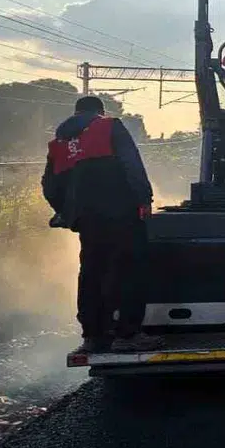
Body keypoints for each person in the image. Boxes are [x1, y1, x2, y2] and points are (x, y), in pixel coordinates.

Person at [42, 96, 164, 354]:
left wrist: (66, 212)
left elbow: (50, 186)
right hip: (122, 214)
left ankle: (93, 336)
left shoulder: (59, 143)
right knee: (129, 270)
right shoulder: (109, 127)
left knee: (91, 273)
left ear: (75, 114)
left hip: (87, 220)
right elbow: (132, 165)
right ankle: (128, 335)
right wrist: (144, 199)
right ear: (99, 111)